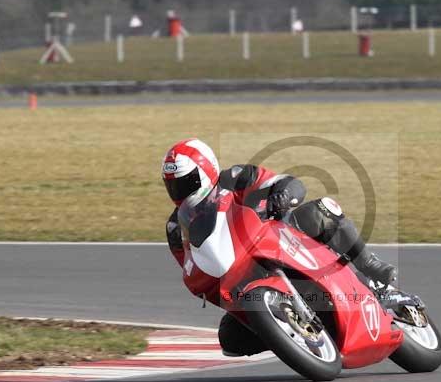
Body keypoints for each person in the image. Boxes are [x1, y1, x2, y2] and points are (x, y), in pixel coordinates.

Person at [163, 138, 397, 356]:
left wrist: (282, 196)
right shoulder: (176, 226)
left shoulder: (236, 178)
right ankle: (286, 333)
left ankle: (368, 264)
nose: (180, 191)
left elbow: (287, 183)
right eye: (173, 186)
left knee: (320, 211)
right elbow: (191, 263)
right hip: (243, 277)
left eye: (186, 181)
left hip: (281, 239)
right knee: (230, 340)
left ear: (207, 170)